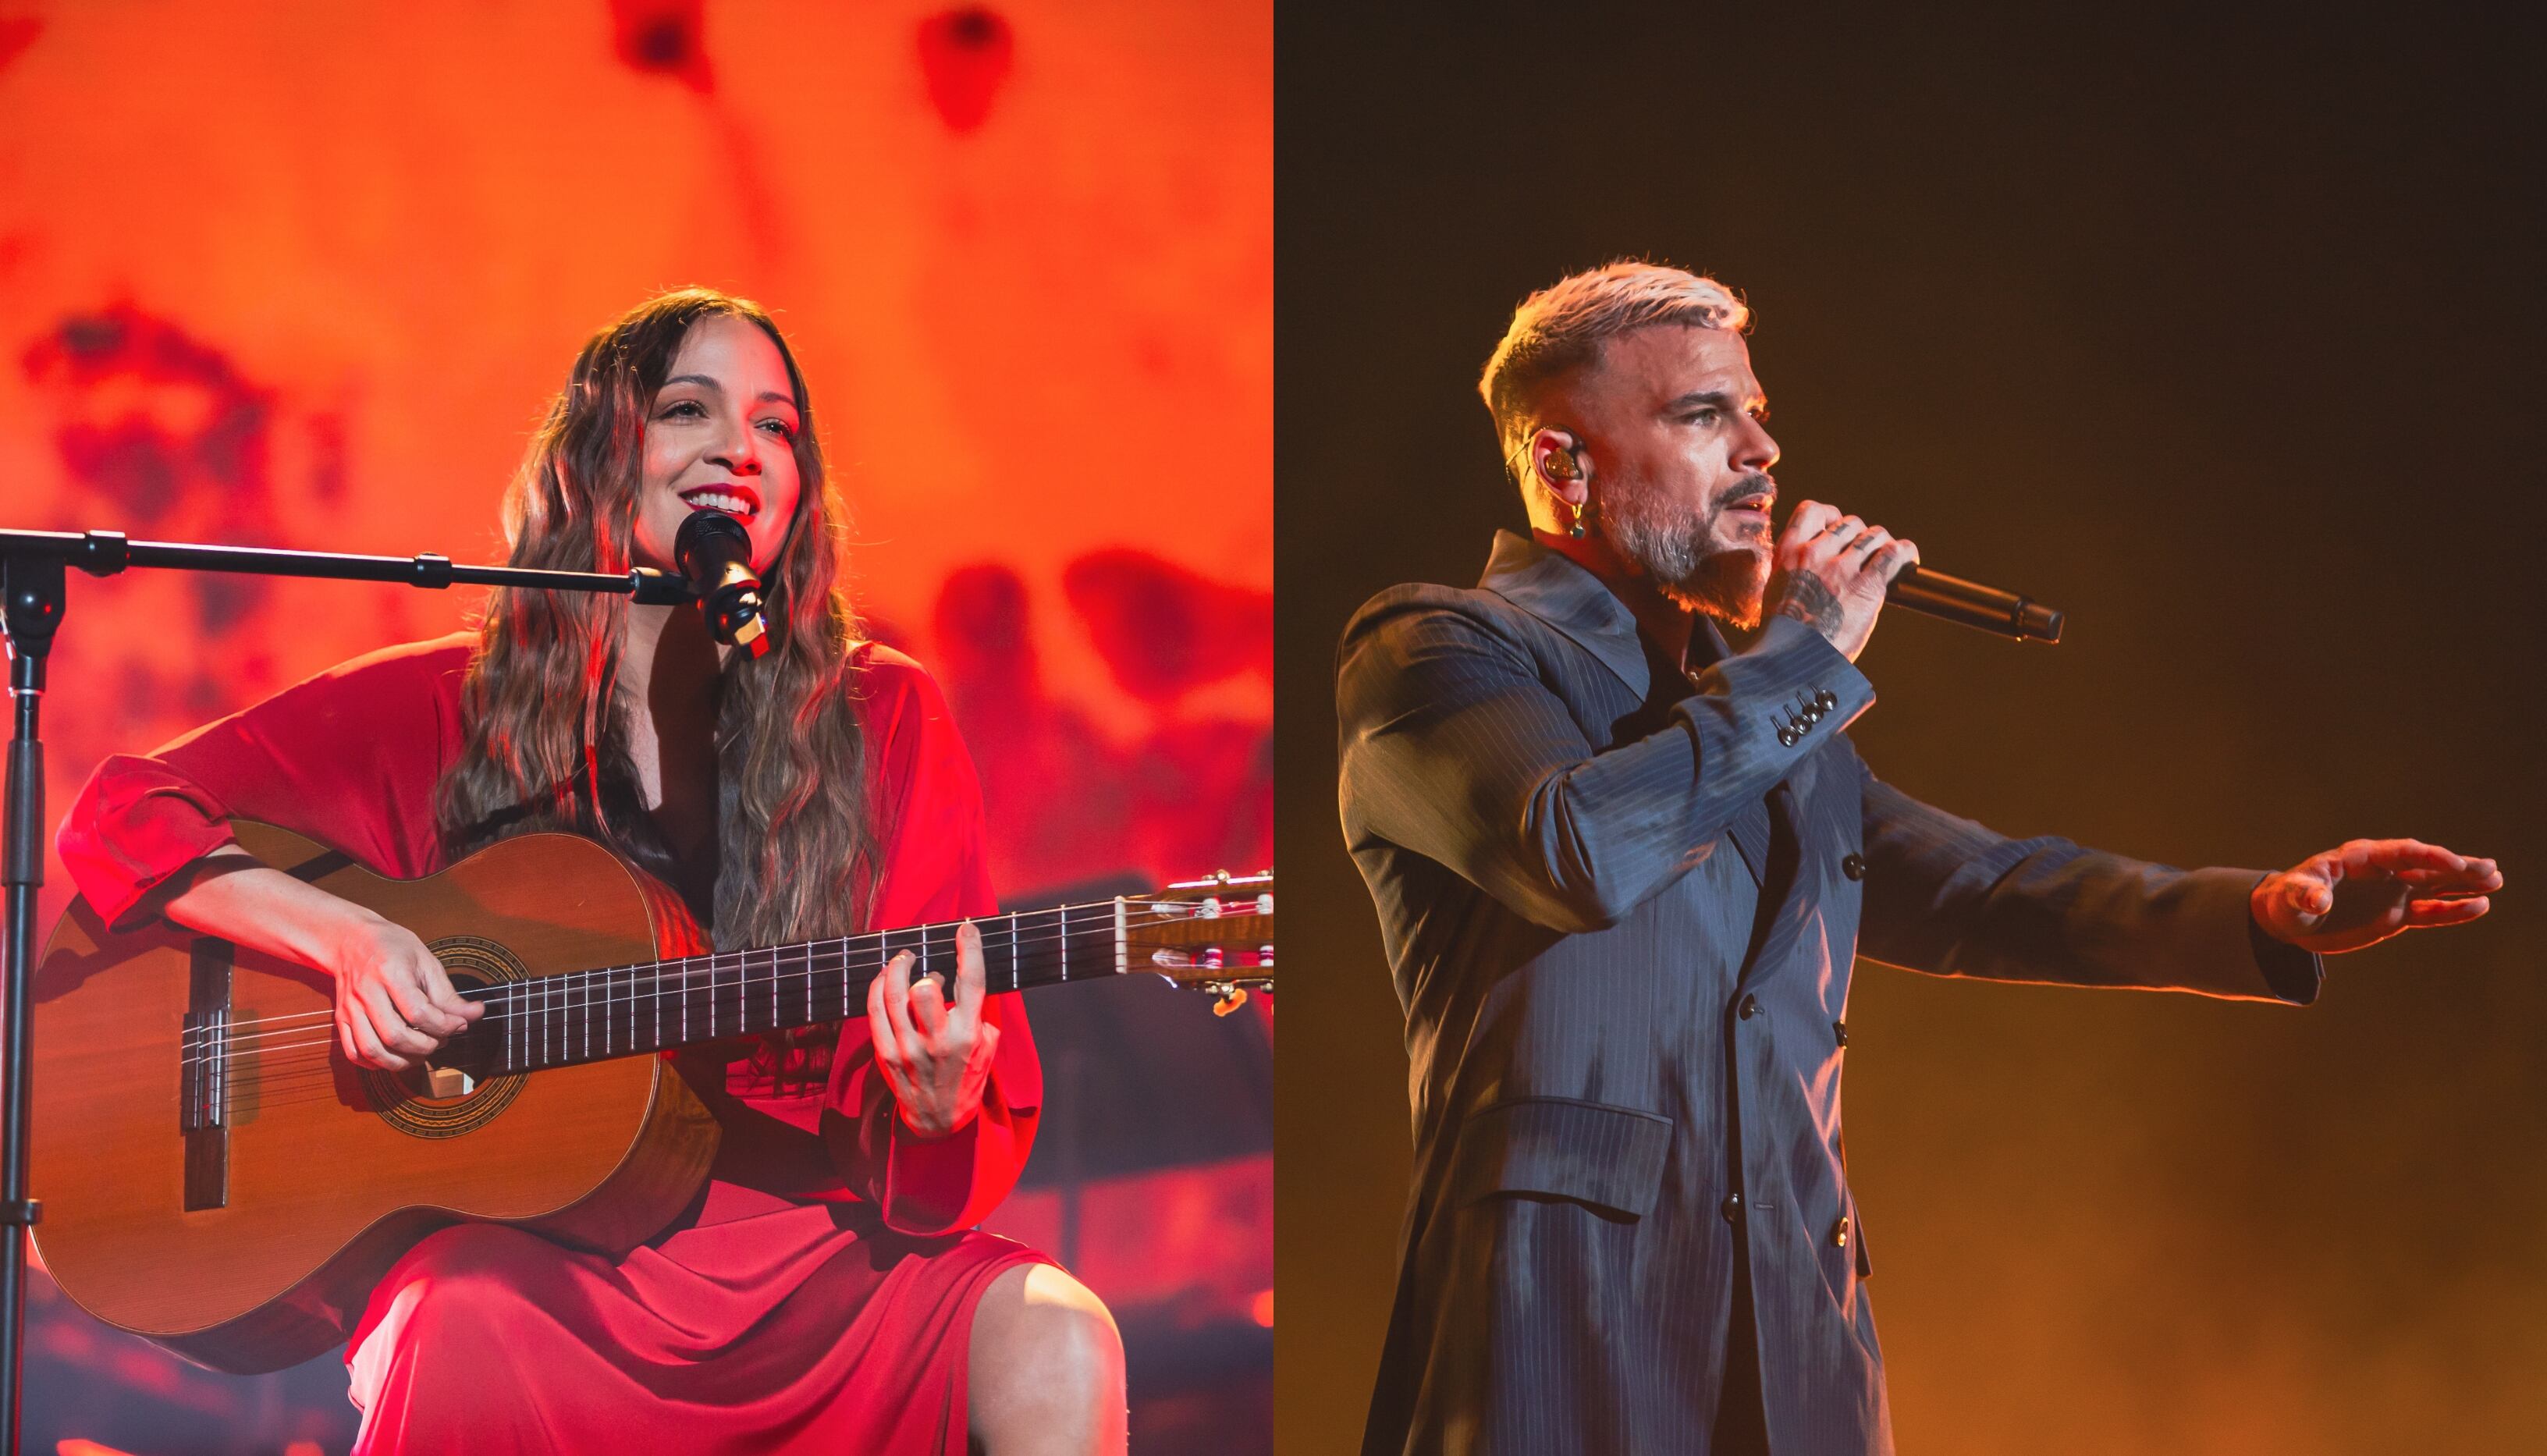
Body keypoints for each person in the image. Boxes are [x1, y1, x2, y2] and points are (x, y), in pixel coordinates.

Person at [1333, 261, 2502, 1456]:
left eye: (1757, 414)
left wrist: (2256, 912)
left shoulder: (1758, 714)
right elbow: (1578, 850)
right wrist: (1806, 652)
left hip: (1799, 1352)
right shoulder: (1437, 648)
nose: (1762, 453)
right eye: (1703, 415)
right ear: (1564, 466)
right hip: (1566, 1333)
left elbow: (1983, 889)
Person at [56, 289, 1128, 1455]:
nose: (740, 449)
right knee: (450, 1312)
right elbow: (121, 813)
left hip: (816, 1272)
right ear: (595, 458)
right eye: (689, 409)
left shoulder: (885, 718)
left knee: (1060, 1334)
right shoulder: (448, 704)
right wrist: (346, 938)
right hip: (534, 1269)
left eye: (775, 426)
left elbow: (927, 1173)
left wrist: (935, 1106)